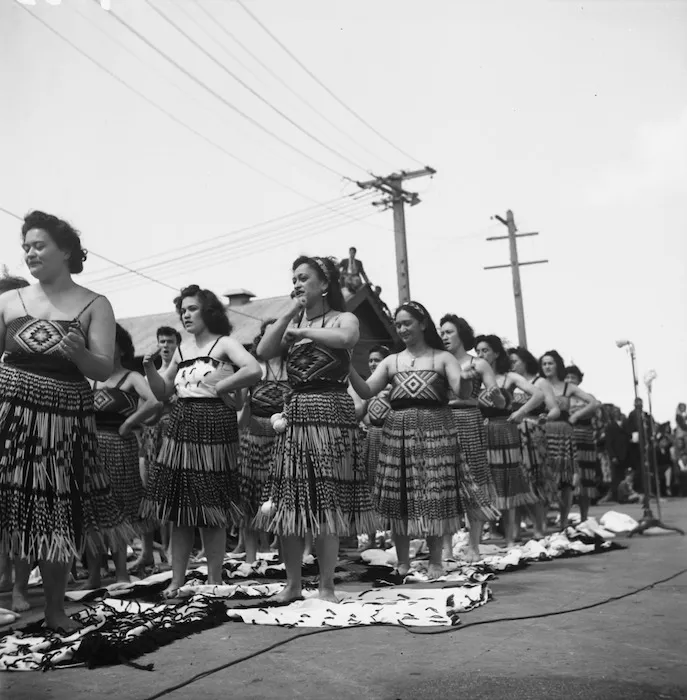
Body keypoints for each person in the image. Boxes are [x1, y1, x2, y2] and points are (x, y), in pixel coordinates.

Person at [0, 210, 132, 632]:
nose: (30, 253)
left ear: (66, 251)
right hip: (10, 414)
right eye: (26, 247)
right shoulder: (8, 301)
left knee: (55, 512)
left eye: (39, 245)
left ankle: (55, 610)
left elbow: (100, 367)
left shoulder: (95, 304)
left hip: (64, 420)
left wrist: (77, 352)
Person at [255, 256, 376, 603]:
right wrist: (291, 314)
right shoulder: (292, 323)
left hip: (332, 412)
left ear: (324, 284)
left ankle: (326, 587)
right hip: (296, 413)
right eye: (293, 278)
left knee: (326, 503)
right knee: (291, 503)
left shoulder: (343, 318)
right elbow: (264, 350)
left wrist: (304, 330)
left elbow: (348, 337)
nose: (296, 283)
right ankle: (292, 586)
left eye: (303, 278)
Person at [349, 301, 497, 578]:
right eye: (398, 324)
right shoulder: (391, 361)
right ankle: (403, 562)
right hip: (397, 432)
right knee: (399, 496)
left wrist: (465, 379)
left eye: (407, 323)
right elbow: (368, 390)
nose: (402, 329)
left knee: (433, 495)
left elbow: (461, 391)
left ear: (422, 324)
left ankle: (435, 561)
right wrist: (347, 365)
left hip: (435, 430)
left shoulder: (443, 358)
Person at [140, 285, 262, 598]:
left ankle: (215, 579)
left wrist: (223, 386)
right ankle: (177, 579)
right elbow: (164, 392)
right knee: (180, 508)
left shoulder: (225, 344)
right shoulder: (181, 351)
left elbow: (253, 369)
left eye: (192, 308)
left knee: (212, 507)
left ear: (208, 311)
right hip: (181, 426)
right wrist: (149, 369)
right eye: (182, 309)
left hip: (214, 426)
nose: (185, 314)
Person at [83, 324, 159, 588]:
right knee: (92, 510)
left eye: (110, 342)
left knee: (118, 508)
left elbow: (153, 401)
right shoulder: (90, 377)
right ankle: (94, 575)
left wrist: (130, 423)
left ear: (122, 348)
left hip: (119, 445)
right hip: (91, 449)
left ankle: (122, 573)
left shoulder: (131, 376)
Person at [439, 315, 503, 560]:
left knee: (475, 481)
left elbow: (497, 399)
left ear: (461, 334)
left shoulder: (478, 364)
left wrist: (496, 395)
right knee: (444, 483)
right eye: (441, 332)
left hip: (468, 418)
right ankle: (446, 549)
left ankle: (473, 546)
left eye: (449, 332)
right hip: (441, 420)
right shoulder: (438, 361)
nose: (444, 336)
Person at [474, 335, 542, 548]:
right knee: (486, 481)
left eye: (485, 351)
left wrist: (521, 412)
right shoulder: (474, 378)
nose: (480, 355)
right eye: (478, 351)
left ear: (496, 353)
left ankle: (511, 536)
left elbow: (538, 395)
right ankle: (490, 532)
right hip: (481, 431)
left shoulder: (509, 377)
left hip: (505, 430)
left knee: (508, 482)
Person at [236, 319, 289, 564]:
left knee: (282, 497)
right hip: (253, 439)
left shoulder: (294, 368)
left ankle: (283, 553)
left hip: (284, 441)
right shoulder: (254, 368)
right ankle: (250, 557)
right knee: (249, 499)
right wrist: (242, 401)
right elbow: (240, 411)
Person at [132, 326, 181, 573]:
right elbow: (141, 411)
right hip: (151, 438)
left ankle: (172, 549)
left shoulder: (181, 374)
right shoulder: (149, 375)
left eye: (170, 341)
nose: (165, 345)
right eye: (161, 340)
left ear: (177, 344)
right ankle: (147, 552)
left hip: (175, 438)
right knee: (148, 496)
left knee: (171, 496)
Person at [0, 274, 33, 613]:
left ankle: (19, 588)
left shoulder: (35, 345)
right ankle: (6, 580)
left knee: (24, 513)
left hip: (27, 435)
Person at [539, 350, 596, 528]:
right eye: (544, 364)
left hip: (563, 433)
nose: (547, 367)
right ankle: (541, 521)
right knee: (544, 477)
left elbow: (593, 402)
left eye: (550, 363)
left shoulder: (567, 387)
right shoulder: (538, 384)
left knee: (565, 479)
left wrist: (576, 416)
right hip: (543, 433)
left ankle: (563, 521)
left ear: (558, 365)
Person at [508, 346, 561, 537]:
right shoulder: (510, 382)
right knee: (516, 482)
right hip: (511, 435)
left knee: (535, 481)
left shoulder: (540, 382)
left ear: (525, 361)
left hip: (532, 434)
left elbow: (554, 408)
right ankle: (516, 528)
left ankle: (539, 526)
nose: (512, 365)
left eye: (515, 361)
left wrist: (545, 418)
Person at [360, 344, 393, 549]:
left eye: (377, 360)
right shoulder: (368, 387)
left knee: (390, 488)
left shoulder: (394, 386)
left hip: (391, 438)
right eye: (371, 360)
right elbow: (362, 411)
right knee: (371, 488)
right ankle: (371, 538)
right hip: (372, 439)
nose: (373, 363)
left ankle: (391, 538)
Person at [564, 365, 601, 521]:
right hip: (566, 440)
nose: (570, 380)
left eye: (574, 377)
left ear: (579, 380)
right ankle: (564, 517)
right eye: (567, 377)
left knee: (585, 481)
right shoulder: (561, 398)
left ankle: (584, 517)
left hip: (585, 441)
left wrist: (576, 414)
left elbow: (597, 406)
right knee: (568, 479)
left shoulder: (587, 396)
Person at [605, 407, 631, 502]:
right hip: (616, 454)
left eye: (618, 411)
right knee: (616, 476)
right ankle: (616, 496)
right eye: (615, 412)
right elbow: (609, 443)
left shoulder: (625, 424)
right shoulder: (610, 426)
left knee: (625, 475)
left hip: (625, 453)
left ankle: (625, 495)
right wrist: (613, 456)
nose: (617, 413)